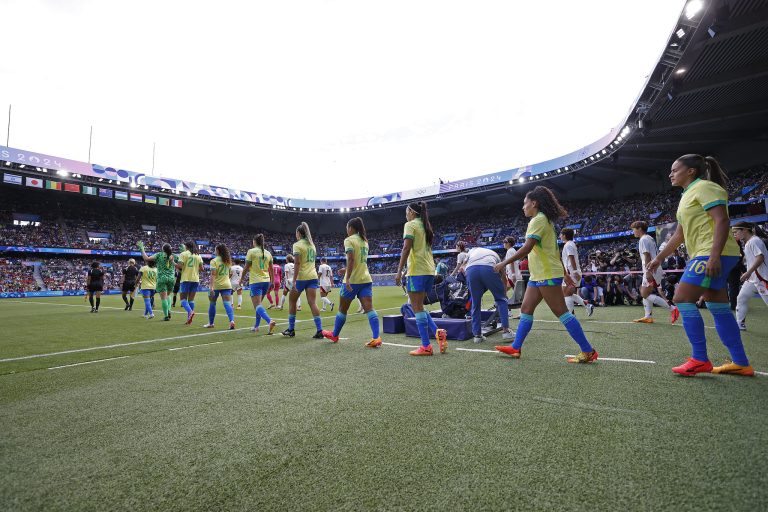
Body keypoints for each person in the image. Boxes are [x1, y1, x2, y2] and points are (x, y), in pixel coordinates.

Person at [648, 154, 753, 376]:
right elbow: (680, 234)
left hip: (711, 253)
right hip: (709, 253)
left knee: (682, 299)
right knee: (718, 307)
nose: (670, 174)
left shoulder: (705, 187)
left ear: (691, 171)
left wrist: (714, 257)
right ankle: (741, 362)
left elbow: (722, 220)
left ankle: (699, 359)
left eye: (675, 170)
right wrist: (659, 258)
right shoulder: (687, 195)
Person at [493, 186, 598, 363]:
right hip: (538, 274)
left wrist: (503, 263)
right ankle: (516, 347)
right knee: (526, 309)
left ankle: (588, 351)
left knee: (562, 312)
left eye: (525, 203)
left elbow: (528, 247)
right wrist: (564, 274)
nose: (523, 207)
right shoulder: (544, 220)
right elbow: (553, 251)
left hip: (546, 274)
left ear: (534, 203)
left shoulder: (538, 220)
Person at [395, 202, 448, 356]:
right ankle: (438, 332)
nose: (405, 214)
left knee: (416, 307)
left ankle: (426, 346)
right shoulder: (426, 226)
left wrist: (399, 271)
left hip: (417, 271)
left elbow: (406, 248)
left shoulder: (410, 225)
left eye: (406, 211)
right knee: (420, 307)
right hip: (429, 271)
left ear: (411, 212)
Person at [322, 217, 381, 347]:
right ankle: (376, 337)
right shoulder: (364, 241)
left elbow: (351, 258)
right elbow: (358, 261)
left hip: (352, 281)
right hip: (366, 279)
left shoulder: (348, 240)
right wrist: (346, 268)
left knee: (342, 309)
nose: (346, 231)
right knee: (369, 309)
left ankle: (334, 335)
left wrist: (347, 278)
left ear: (350, 228)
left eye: (347, 228)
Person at [630, 221, 679, 324]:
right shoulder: (649, 238)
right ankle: (648, 316)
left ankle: (672, 308)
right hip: (654, 268)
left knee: (644, 293)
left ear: (639, 229)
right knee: (645, 292)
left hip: (651, 269)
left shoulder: (643, 239)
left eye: (633, 229)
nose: (633, 231)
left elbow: (647, 256)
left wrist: (647, 272)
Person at [464, 247, 514, 343]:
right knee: (501, 300)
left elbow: (463, 268)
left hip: (471, 270)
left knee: (475, 303)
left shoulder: (471, 252)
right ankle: (506, 332)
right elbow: (503, 276)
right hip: (489, 267)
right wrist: (504, 293)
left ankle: (477, 336)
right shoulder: (494, 254)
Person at [283, 222, 324, 338]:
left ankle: (291, 329)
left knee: (292, 301)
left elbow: (297, 262)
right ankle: (320, 330)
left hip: (302, 277)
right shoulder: (312, 245)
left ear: (298, 233)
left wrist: (294, 280)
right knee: (312, 303)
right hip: (313, 276)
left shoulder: (297, 245)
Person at [732, 221, 768, 331]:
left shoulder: (754, 241)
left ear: (744, 230)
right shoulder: (748, 243)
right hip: (753, 279)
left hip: (762, 279)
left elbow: (760, 258)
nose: (734, 235)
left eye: (736, 232)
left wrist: (748, 272)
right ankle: (739, 323)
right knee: (741, 298)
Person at [242, 234, 277, 334]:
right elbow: (271, 269)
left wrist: (241, 279)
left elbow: (246, 267)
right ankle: (256, 326)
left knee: (257, 305)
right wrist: (273, 281)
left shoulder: (251, 251)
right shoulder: (268, 253)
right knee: (259, 305)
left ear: (254, 241)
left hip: (256, 281)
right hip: (266, 281)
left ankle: (269, 321)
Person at [559, 228, 594, 317]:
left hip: (571, 272)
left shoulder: (569, 245)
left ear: (564, 235)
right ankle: (587, 305)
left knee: (566, 294)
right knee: (568, 293)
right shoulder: (570, 244)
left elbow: (572, 259)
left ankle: (570, 316)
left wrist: (574, 272)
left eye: (561, 234)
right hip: (571, 272)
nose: (560, 236)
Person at [138, 242, 176, 321]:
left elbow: (146, 259)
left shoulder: (159, 255)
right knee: (168, 295)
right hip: (172, 278)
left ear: (163, 249)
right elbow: (181, 264)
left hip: (162, 278)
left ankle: (166, 316)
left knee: (163, 298)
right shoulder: (174, 256)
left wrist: (142, 250)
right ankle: (169, 310)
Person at [203, 244, 237, 330]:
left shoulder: (214, 261)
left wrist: (211, 287)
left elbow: (213, 275)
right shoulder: (228, 261)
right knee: (227, 304)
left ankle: (211, 323)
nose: (214, 251)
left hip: (216, 285)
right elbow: (229, 273)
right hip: (227, 285)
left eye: (215, 250)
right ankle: (232, 321)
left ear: (218, 250)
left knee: (212, 303)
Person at [176, 241, 204, 325]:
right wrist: (194, 269)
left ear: (186, 246)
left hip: (186, 278)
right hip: (195, 279)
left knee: (183, 299)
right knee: (191, 299)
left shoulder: (183, 254)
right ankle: (189, 319)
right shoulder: (198, 255)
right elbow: (202, 268)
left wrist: (175, 263)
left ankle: (190, 312)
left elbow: (180, 266)